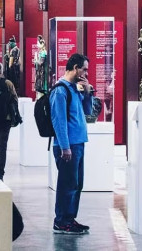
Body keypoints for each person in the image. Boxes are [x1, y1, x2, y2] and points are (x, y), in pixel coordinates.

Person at [49, 53, 96, 235]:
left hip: (78, 143)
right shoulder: (60, 91)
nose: (86, 73)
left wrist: (87, 93)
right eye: (84, 69)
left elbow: (87, 112)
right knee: (67, 185)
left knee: (76, 184)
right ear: (75, 68)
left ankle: (69, 218)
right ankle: (61, 221)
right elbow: (58, 121)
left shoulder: (74, 89)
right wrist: (64, 146)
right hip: (68, 146)